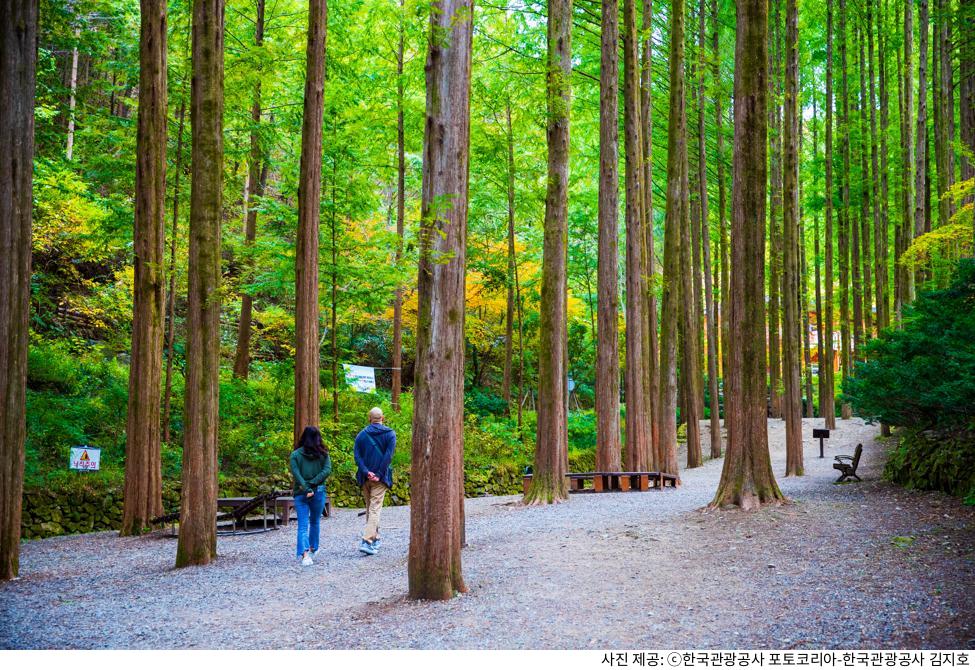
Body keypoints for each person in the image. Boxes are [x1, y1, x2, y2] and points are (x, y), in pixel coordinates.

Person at [353, 407, 395, 556]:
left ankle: (375, 539)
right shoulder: (390, 434)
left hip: (365, 478)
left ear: (369, 418)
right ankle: (367, 541)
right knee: (374, 509)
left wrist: (366, 472)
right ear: (382, 417)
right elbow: (388, 456)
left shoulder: (361, 435)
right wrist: (378, 474)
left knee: (370, 508)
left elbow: (357, 456)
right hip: (380, 478)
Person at [290, 426, 332, 566]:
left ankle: (305, 555)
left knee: (302, 525)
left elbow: (297, 475)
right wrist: (313, 484)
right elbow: (327, 471)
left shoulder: (295, 455)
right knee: (314, 521)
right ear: (318, 438)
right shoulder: (324, 454)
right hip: (318, 491)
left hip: (300, 492)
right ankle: (313, 548)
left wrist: (306, 487)